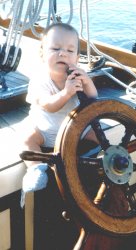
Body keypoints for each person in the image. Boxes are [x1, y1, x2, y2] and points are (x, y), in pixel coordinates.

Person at [20, 22, 98, 204]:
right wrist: (66, 93)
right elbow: (48, 105)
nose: (62, 53)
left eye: (70, 51)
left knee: (95, 133)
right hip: (45, 130)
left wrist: (87, 82)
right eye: (55, 48)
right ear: (42, 54)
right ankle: (36, 170)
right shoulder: (39, 80)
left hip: (74, 130)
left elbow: (93, 98)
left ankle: (92, 157)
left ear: (77, 58)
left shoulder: (77, 76)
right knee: (27, 139)